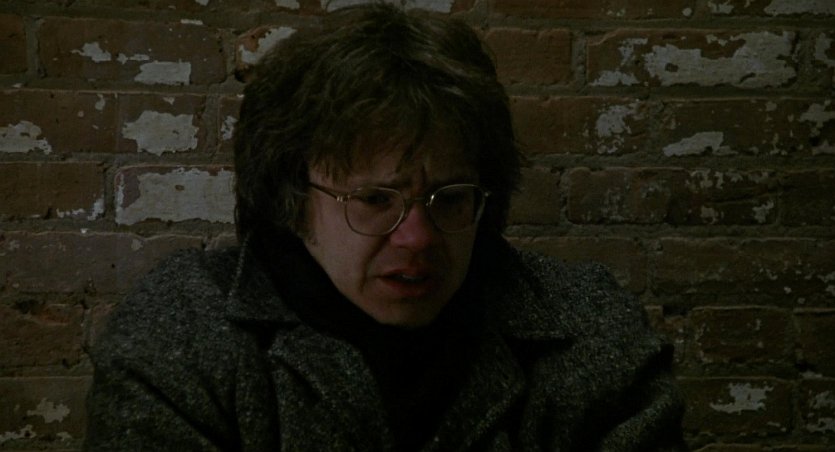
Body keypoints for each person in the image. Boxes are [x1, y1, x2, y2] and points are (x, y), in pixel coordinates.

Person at [84, 3, 686, 451]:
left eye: (450, 199)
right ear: (293, 200)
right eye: (374, 199)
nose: (417, 238)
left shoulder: (587, 333)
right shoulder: (185, 338)